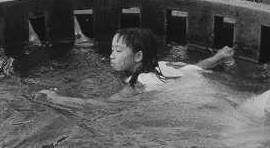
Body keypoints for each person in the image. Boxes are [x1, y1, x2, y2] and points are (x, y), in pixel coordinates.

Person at [33, 27, 234, 109]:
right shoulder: (164, 66)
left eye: (118, 51)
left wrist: (57, 99)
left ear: (138, 56)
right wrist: (219, 56)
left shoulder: (139, 82)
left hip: (205, 105)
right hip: (217, 94)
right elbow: (196, 68)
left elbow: (104, 104)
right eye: (112, 49)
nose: (111, 55)